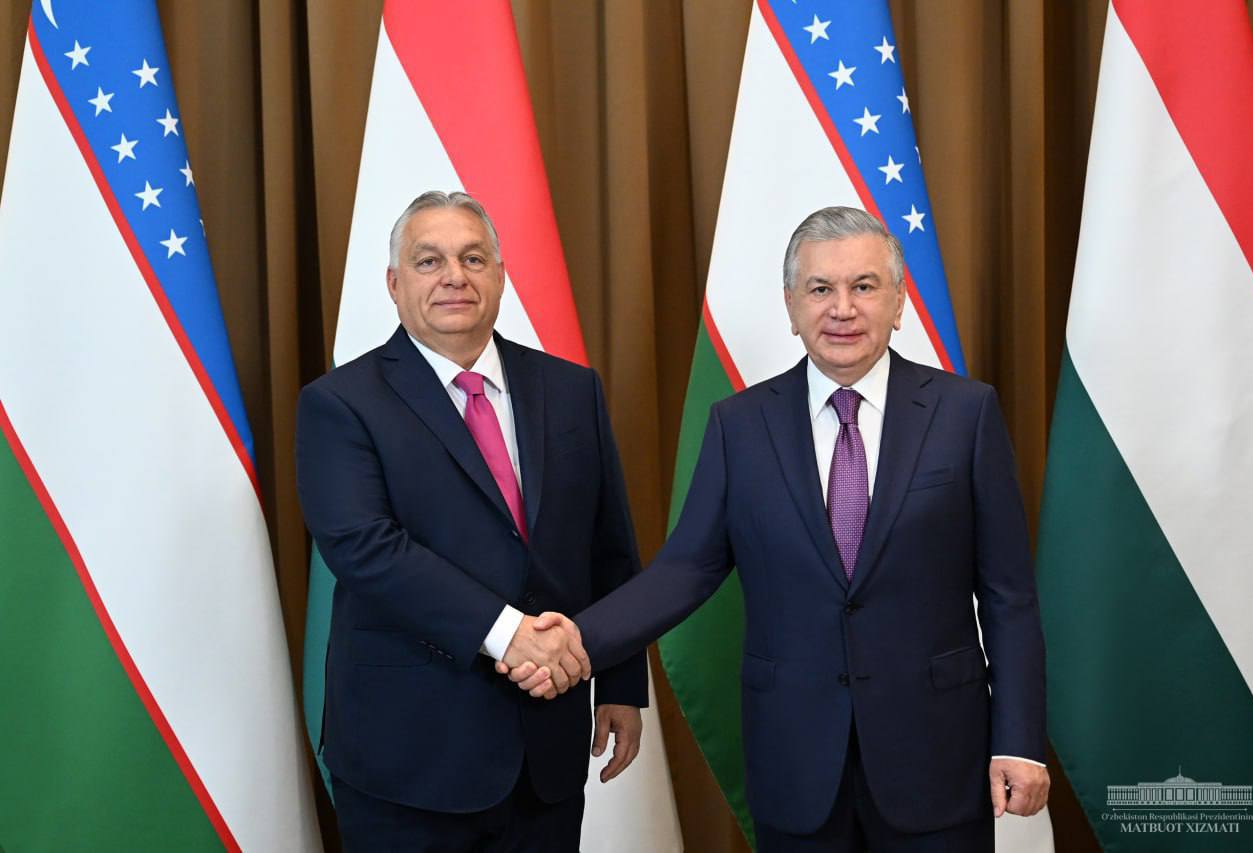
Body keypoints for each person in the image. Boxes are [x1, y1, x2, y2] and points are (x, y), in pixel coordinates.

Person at [507, 206, 1049, 851]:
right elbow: (686, 569)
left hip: (937, 753)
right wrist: (578, 640)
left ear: (899, 302)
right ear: (791, 307)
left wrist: (1019, 741)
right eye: (820, 289)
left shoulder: (966, 413)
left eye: (864, 286)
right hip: (796, 760)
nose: (842, 309)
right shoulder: (739, 425)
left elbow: (1009, 595)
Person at [295, 190, 646, 851]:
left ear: (501, 276)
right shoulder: (340, 403)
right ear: (394, 284)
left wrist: (621, 682)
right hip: (408, 759)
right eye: (429, 261)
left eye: (473, 258)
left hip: (546, 749)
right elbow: (366, 549)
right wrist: (508, 633)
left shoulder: (572, 390)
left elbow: (609, 548)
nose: (454, 276)